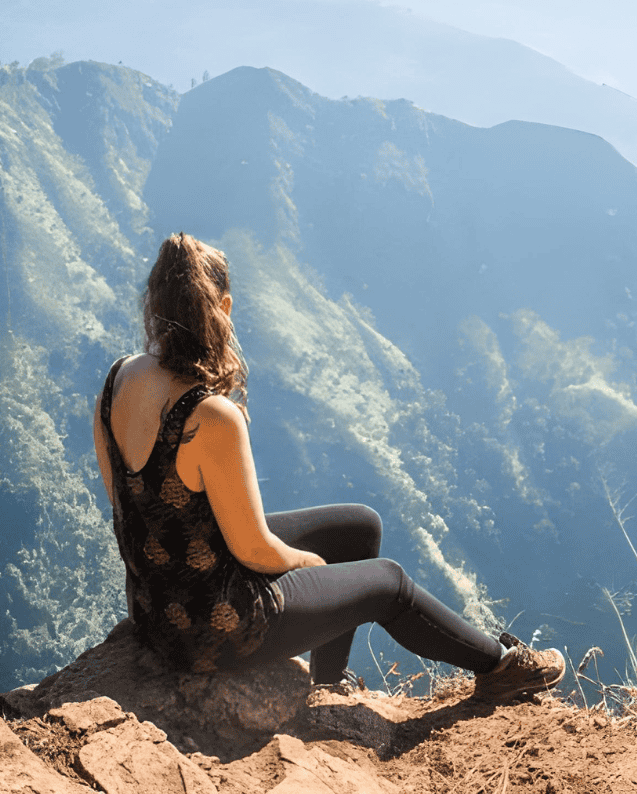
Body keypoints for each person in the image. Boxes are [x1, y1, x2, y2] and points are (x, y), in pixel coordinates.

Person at [94, 232, 565, 701]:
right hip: (216, 633)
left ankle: (325, 685)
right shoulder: (210, 416)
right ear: (224, 309)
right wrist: (308, 566)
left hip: (151, 612)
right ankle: (503, 669)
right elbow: (255, 551)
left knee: (358, 529)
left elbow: (130, 505)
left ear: (153, 303)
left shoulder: (117, 379)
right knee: (390, 583)